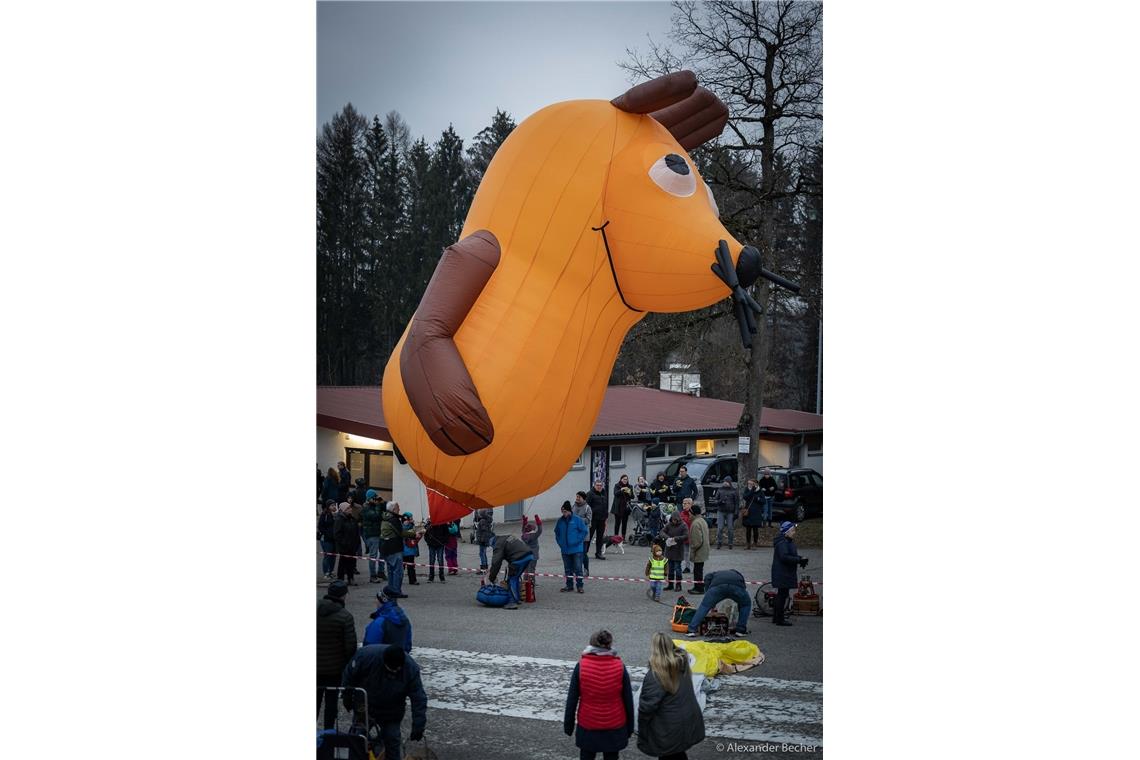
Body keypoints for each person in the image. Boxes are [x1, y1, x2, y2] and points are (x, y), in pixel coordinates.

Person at [341, 644, 427, 760]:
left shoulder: (410, 668)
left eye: (397, 669)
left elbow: (418, 697)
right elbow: (349, 675)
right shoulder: (366, 657)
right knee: (358, 738)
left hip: (391, 711)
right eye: (391, 669)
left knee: (392, 740)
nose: (394, 672)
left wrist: (418, 725)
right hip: (365, 706)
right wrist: (347, 695)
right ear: (383, 662)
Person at [563, 630, 634, 760]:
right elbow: (628, 700)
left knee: (587, 756)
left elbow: (572, 699)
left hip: (588, 724)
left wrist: (568, 725)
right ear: (610, 644)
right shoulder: (620, 667)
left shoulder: (581, 666)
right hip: (615, 724)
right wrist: (630, 727)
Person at [636, 633, 706, 760]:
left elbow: (647, 708)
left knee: (669, 755)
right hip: (687, 720)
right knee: (678, 753)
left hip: (669, 728)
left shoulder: (656, 675)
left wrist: (642, 730)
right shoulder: (682, 664)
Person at [316, 580, 356, 725]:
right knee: (331, 705)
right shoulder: (345, 617)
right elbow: (350, 647)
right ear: (344, 596)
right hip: (334, 670)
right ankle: (328, 736)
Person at [684, 569, 751, 638]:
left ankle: (691, 630)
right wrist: (741, 601)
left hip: (718, 587)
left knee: (704, 606)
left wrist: (708, 594)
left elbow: (707, 578)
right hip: (737, 587)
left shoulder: (714, 574)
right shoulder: (738, 574)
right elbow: (743, 587)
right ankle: (740, 630)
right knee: (745, 605)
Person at [771, 521, 808, 626]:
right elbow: (784, 557)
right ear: (785, 532)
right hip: (782, 572)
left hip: (783, 572)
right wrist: (798, 559)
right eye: (792, 530)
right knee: (782, 596)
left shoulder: (786, 541)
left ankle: (777, 617)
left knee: (782, 595)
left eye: (794, 530)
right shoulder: (783, 542)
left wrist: (799, 559)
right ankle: (779, 619)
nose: (794, 532)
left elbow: (788, 555)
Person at [487, 534, 535, 610]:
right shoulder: (504, 538)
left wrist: (492, 577)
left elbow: (496, 563)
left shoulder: (497, 544)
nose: (492, 547)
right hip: (528, 555)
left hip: (519, 558)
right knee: (515, 577)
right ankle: (517, 599)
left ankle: (512, 602)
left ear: (492, 542)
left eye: (491, 546)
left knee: (511, 579)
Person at [379, 501, 412, 598]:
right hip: (394, 548)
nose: (399, 510)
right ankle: (396, 591)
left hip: (385, 548)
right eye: (398, 508)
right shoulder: (393, 519)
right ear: (393, 509)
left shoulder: (385, 517)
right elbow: (401, 533)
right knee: (398, 571)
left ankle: (391, 589)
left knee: (390, 570)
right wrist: (414, 534)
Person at [555, 501, 589, 593]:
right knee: (567, 569)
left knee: (578, 568)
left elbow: (584, 531)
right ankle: (569, 585)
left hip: (576, 549)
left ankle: (580, 586)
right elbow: (557, 533)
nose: (564, 514)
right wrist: (560, 543)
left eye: (565, 511)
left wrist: (577, 540)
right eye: (563, 512)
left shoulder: (577, 519)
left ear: (569, 511)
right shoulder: (560, 521)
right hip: (565, 549)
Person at [360, 490, 387, 583]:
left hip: (379, 533)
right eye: (373, 498)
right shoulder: (365, 508)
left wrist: (383, 502)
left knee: (383, 553)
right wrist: (378, 505)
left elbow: (386, 508)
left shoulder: (375, 505)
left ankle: (381, 572)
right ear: (369, 499)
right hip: (371, 534)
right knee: (373, 555)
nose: (375, 499)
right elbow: (376, 516)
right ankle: (373, 575)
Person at [333, 503, 360, 585]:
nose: (350, 509)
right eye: (348, 508)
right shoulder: (339, 519)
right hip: (344, 547)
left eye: (350, 508)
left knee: (351, 563)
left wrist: (357, 543)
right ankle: (340, 579)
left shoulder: (352, 519)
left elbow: (356, 532)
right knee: (342, 563)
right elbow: (337, 534)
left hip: (352, 546)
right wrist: (344, 543)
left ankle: (350, 578)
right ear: (344, 510)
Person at [661, 512, 689, 592]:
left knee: (678, 568)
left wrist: (676, 538)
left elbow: (686, 536)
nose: (674, 521)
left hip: (678, 550)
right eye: (673, 520)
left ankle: (678, 585)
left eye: (675, 520)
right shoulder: (669, 525)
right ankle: (670, 584)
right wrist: (668, 538)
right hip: (669, 550)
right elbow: (662, 532)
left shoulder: (683, 525)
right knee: (670, 568)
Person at [686, 504, 710, 594]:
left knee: (697, 571)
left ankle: (698, 588)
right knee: (699, 570)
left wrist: (693, 549)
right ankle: (699, 586)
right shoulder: (702, 520)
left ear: (693, 513)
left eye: (690, 513)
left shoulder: (695, 523)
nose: (689, 515)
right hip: (703, 550)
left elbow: (697, 542)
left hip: (699, 551)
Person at [713, 476, 739, 550]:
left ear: (730, 482)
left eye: (727, 481)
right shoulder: (720, 490)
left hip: (730, 512)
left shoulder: (734, 491)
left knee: (730, 528)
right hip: (721, 511)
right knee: (720, 528)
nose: (725, 483)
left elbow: (737, 502)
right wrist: (720, 501)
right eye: (724, 481)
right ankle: (719, 542)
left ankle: (730, 542)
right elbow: (715, 500)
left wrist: (736, 512)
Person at [586, 480, 610, 561]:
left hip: (602, 519)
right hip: (593, 519)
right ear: (594, 485)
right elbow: (587, 507)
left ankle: (598, 553)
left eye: (600, 485)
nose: (599, 487)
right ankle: (584, 553)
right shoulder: (590, 494)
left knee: (600, 537)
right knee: (588, 537)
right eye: (597, 485)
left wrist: (606, 515)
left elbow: (606, 505)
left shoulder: (604, 493)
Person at [572, 491, 593, 575]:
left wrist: (577, 519)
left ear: (583, 498)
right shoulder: (573, 506)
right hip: (574, 535)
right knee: (574, 553)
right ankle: (576, 569)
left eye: (579, 497)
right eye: (576, 496)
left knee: (583, 553)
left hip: (584, 536)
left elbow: (588, 520)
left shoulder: (587, 507)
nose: (577, 498)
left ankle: (586, 569)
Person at [423, 518, 450, 583]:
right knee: (431, 560)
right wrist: (428, 542)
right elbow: (425, 535)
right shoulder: (429, 524)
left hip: (440, 545)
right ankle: (431, 577)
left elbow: (447, 534)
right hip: (431, 545)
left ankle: (442, 577)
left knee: (440, 560)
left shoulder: (443, 523)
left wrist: (443, 542)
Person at [520, 514, 543, 589]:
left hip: (526, 554)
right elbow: (540, 530)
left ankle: (525, 581)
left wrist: (524, 522)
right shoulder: (534, 535)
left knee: (526, 568)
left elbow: (523, 529)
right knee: (532, 569)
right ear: (532, 529)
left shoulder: (524, 535)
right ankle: (532, 582)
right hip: (534, 555)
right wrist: (538, 520)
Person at [318, 500, 338, 580]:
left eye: (334, 505)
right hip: (326, 539)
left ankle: (331, 571)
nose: (333, 507)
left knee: (333, 556)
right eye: (332, 505)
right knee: (327, 556)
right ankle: (326, 572)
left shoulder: (336, 515)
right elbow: (320, 526)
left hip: (334, 539)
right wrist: (327, 533)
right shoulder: (324, 515)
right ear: (328, 506)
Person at [741, 478, 763, 549]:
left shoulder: (760, 491)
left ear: (755, 484)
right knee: (748, 529)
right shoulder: (747, 489)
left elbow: (763, 501)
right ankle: (748, 543)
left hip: (756, 513)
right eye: (748, 483)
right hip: (748, 513)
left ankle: (755, 543)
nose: (749, 485)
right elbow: (745, 497)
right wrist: (752, 491)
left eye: (751, 484)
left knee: (755, 529)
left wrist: (758, 499)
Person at [401, 513, 423, 585]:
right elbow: (404, 533)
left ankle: (413, 580)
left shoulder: (412, 526)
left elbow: (416, 537)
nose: (411, 519)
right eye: (410, 518)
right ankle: (398, 580)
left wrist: (420, 533)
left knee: (411, 566)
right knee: (402, 566)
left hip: (410, 550)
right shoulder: (402, 527)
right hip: (404, 550)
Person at [611, 474, 634, 539]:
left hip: (626, 507)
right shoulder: (617, 485)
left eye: (626, 479)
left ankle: (623, 537)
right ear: (621, 479)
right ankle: (616, 536)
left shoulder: (630, 486)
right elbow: (615, 493)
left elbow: (632, 496)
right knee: (617, 523)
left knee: (624, 523)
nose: (625, 480)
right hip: (618, 507)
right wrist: (621, 489)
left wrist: (629, 492)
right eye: (624, 479)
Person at [678, 498, 694, 574]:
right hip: (684, 537)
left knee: (693, 553)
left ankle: (694, 567)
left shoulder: (693, 513)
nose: (683, 504)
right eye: (683, 503)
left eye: (686, 503)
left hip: (692, 536)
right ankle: (687, 567)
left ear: (690, 504)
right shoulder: (681, 513)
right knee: (685, 553)